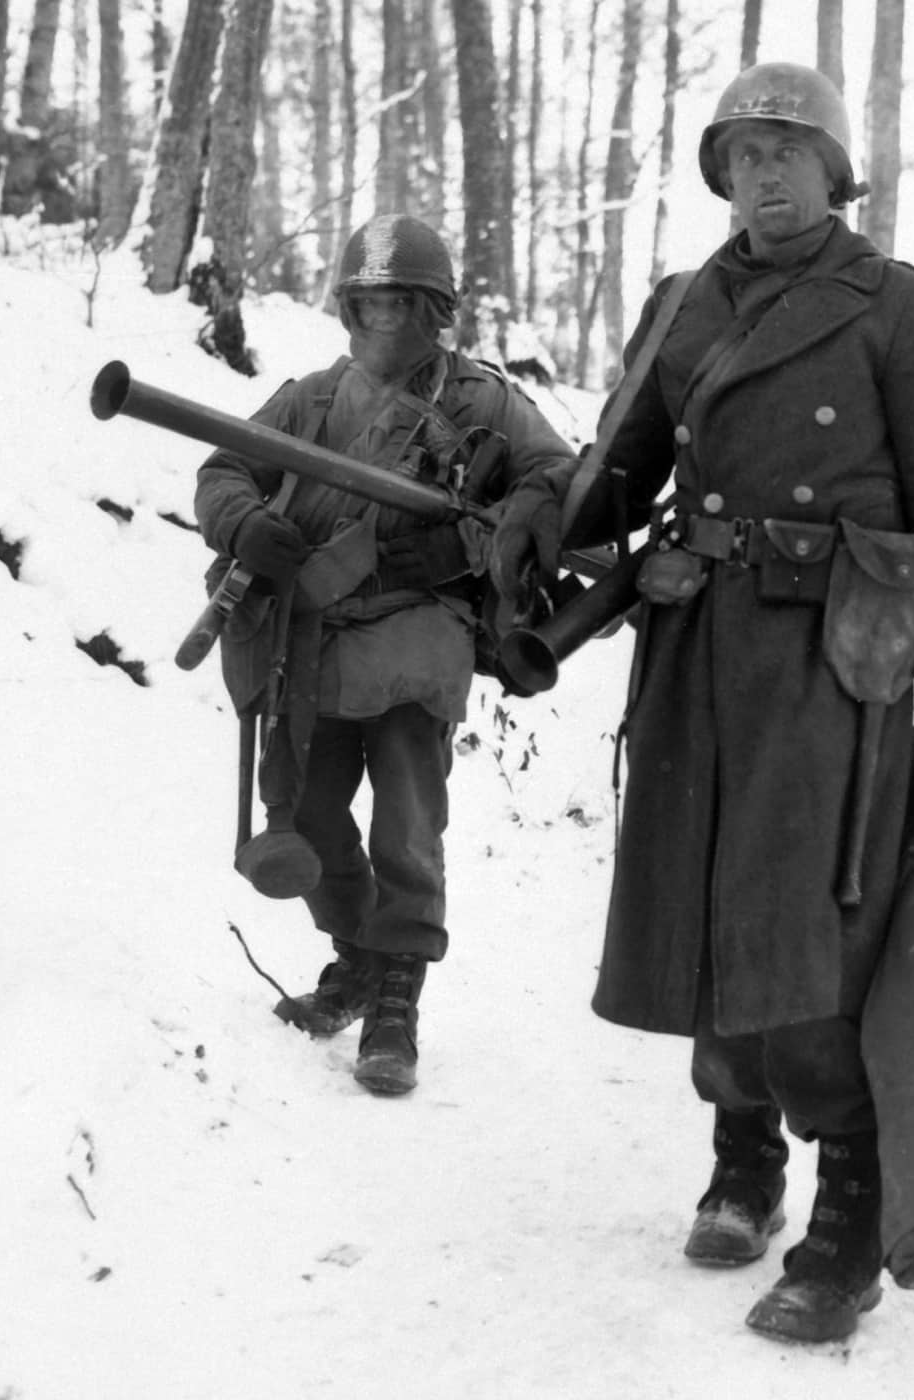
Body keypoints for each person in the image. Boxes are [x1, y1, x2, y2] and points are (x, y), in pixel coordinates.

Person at [489, 63, 914, 1344]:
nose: (763, 172)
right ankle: (742, 1158)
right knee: (702, 906)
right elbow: (615, 476)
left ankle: (851, 1206)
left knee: (810, 921)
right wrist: (530, 514)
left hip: (839, 663)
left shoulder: (900, 308)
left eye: (786, 149)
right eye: (741, 153)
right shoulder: (681, 307)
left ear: (836, 170)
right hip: (695, 645)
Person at [193, 214, 577, 1096]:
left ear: (436, 311)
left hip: (419, 636)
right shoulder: (311, 399)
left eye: (401, 304)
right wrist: (247, 524)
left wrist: (486, 537)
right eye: (367, 305)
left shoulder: (485, 403)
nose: (383, 324)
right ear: (346, 310)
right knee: (310, 817)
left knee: (407, 823)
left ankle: (398, 994)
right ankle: (358, 956)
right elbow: (224, 469)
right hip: (312, 641)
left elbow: (552, 479)